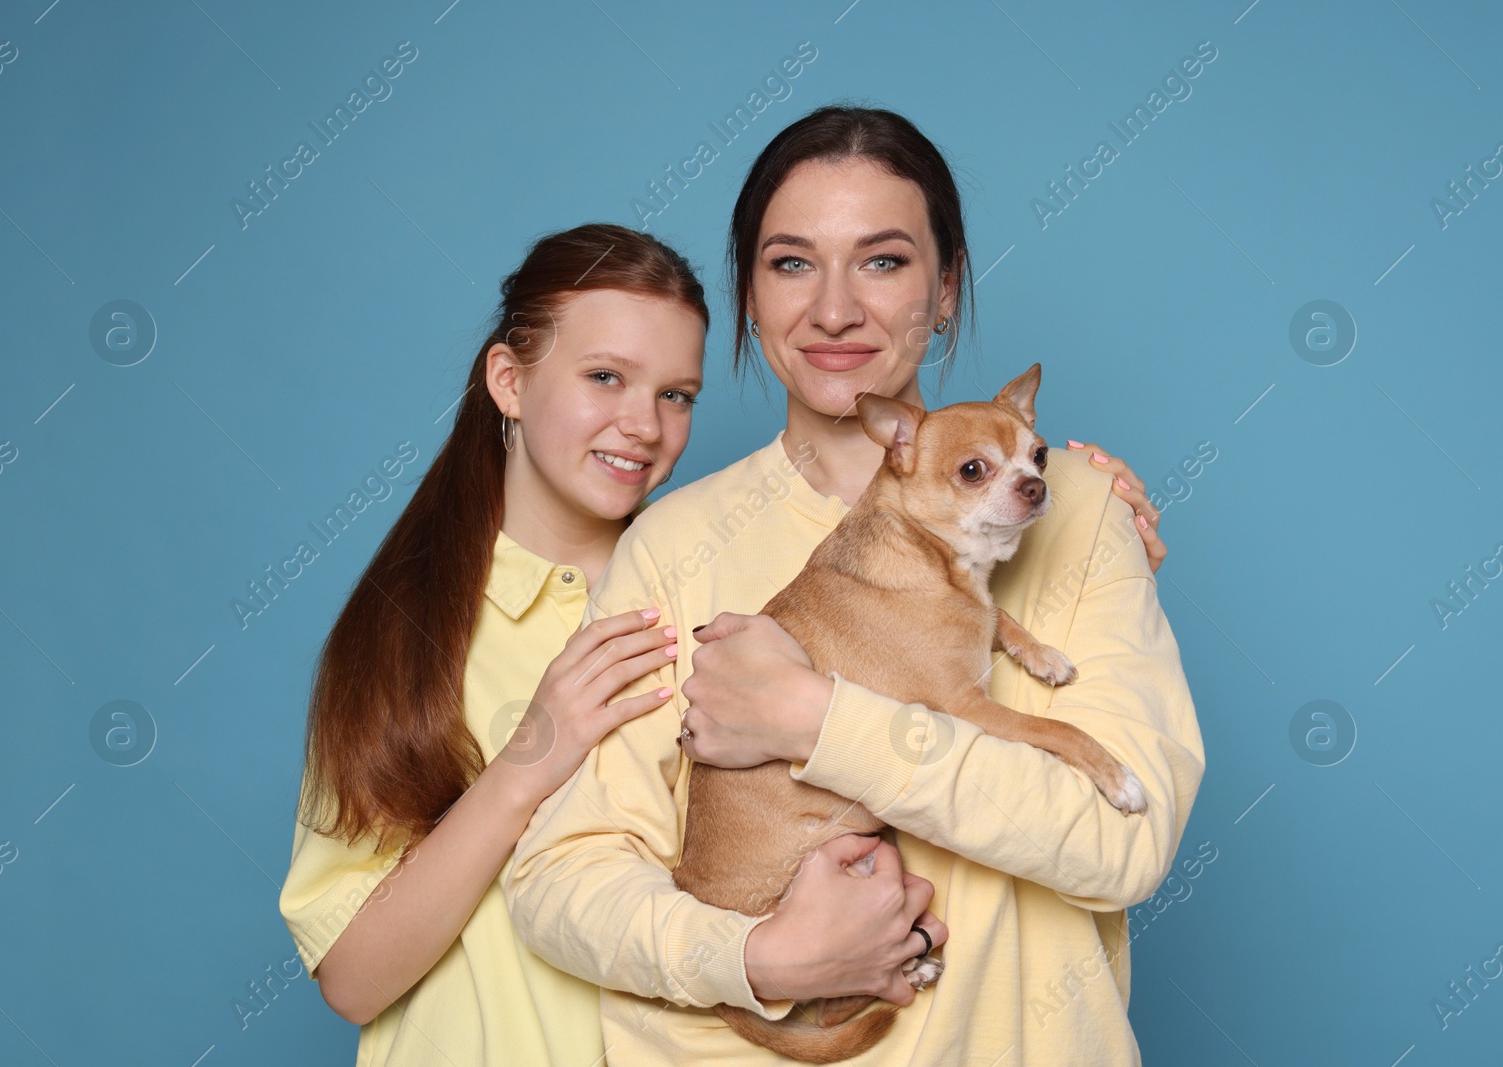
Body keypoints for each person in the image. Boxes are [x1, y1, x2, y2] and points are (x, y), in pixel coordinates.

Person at [505, 105, 1202, 1065]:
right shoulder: (675, 542)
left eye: (883, 261)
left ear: (947, 285)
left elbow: (1125, 840)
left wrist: (820, 723)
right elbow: (561, 881)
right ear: (748, 295)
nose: (835, 310)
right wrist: (761, 957)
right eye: (792, 263)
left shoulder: (1074, 509)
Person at [278, 223, 715, 1065]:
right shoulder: (404, 633)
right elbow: (352, 979)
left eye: (677, 394)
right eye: (604, 377)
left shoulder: (714, 597)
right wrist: (526, 764)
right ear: (509, 381)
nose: (644, 424)